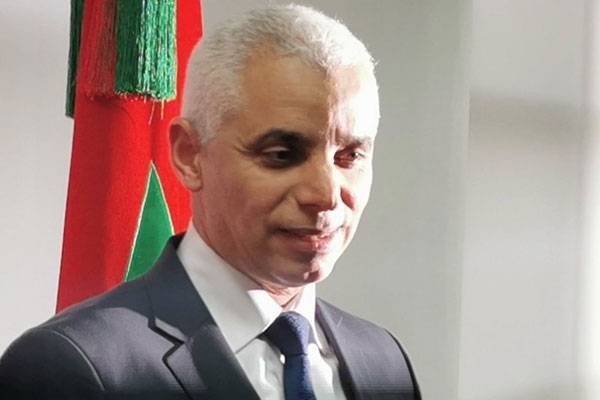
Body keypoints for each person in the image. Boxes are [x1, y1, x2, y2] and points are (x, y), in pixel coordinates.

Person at [0, 4, 420, 399]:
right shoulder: (68, 367)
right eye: (281, 155)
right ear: (189, 155)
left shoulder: (383, 363)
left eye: (350, 157)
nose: (325, 195)